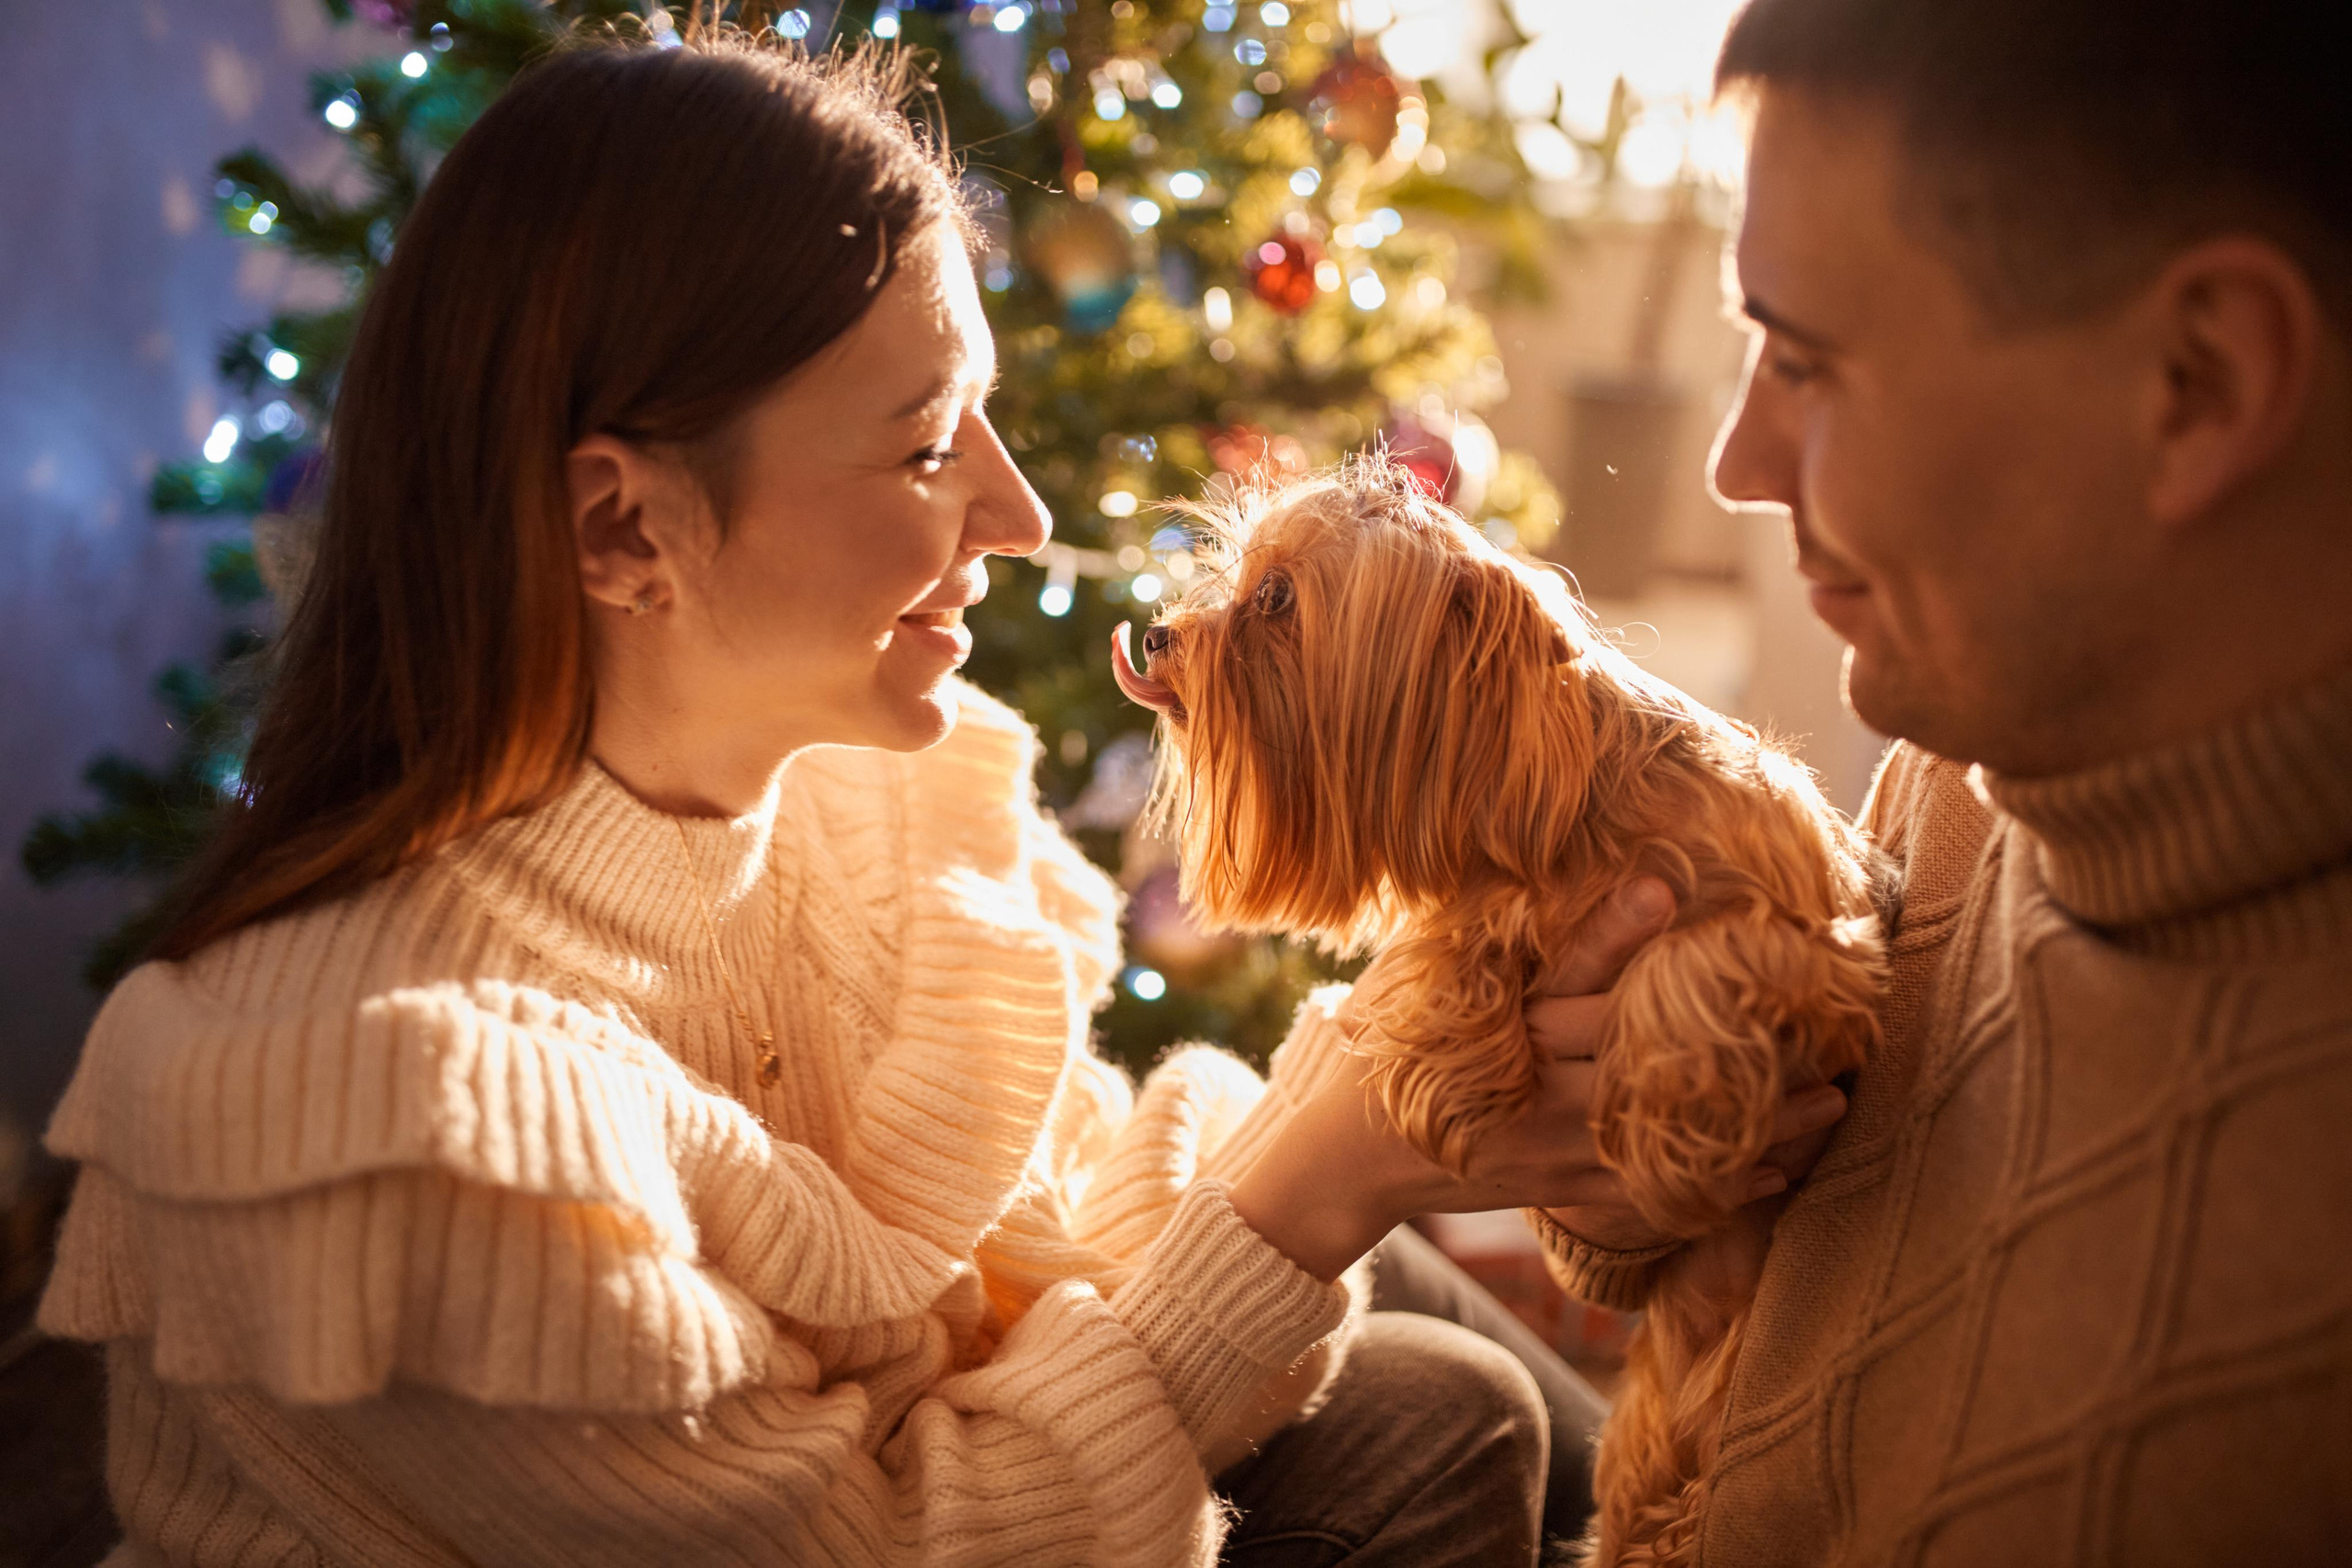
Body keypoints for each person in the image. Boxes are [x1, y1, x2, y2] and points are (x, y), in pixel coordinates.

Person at [33, 33, 1842, 1568]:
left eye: (978, 416)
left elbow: (1069, 1220)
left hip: (993, 1429)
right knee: (1426, 1398)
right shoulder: (384, 1121)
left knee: (1447, 1347)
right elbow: (888, 1535)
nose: (1016, 512)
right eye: (919, 445)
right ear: (620, 527)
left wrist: (1370, 1104)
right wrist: (1328, 1164)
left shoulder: (857, 804)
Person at [1527, 1, 2352, 1562]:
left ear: (2200, 378)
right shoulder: (1975, 770)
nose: (1737, 465)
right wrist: (1635, 1178)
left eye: (1809, 362)